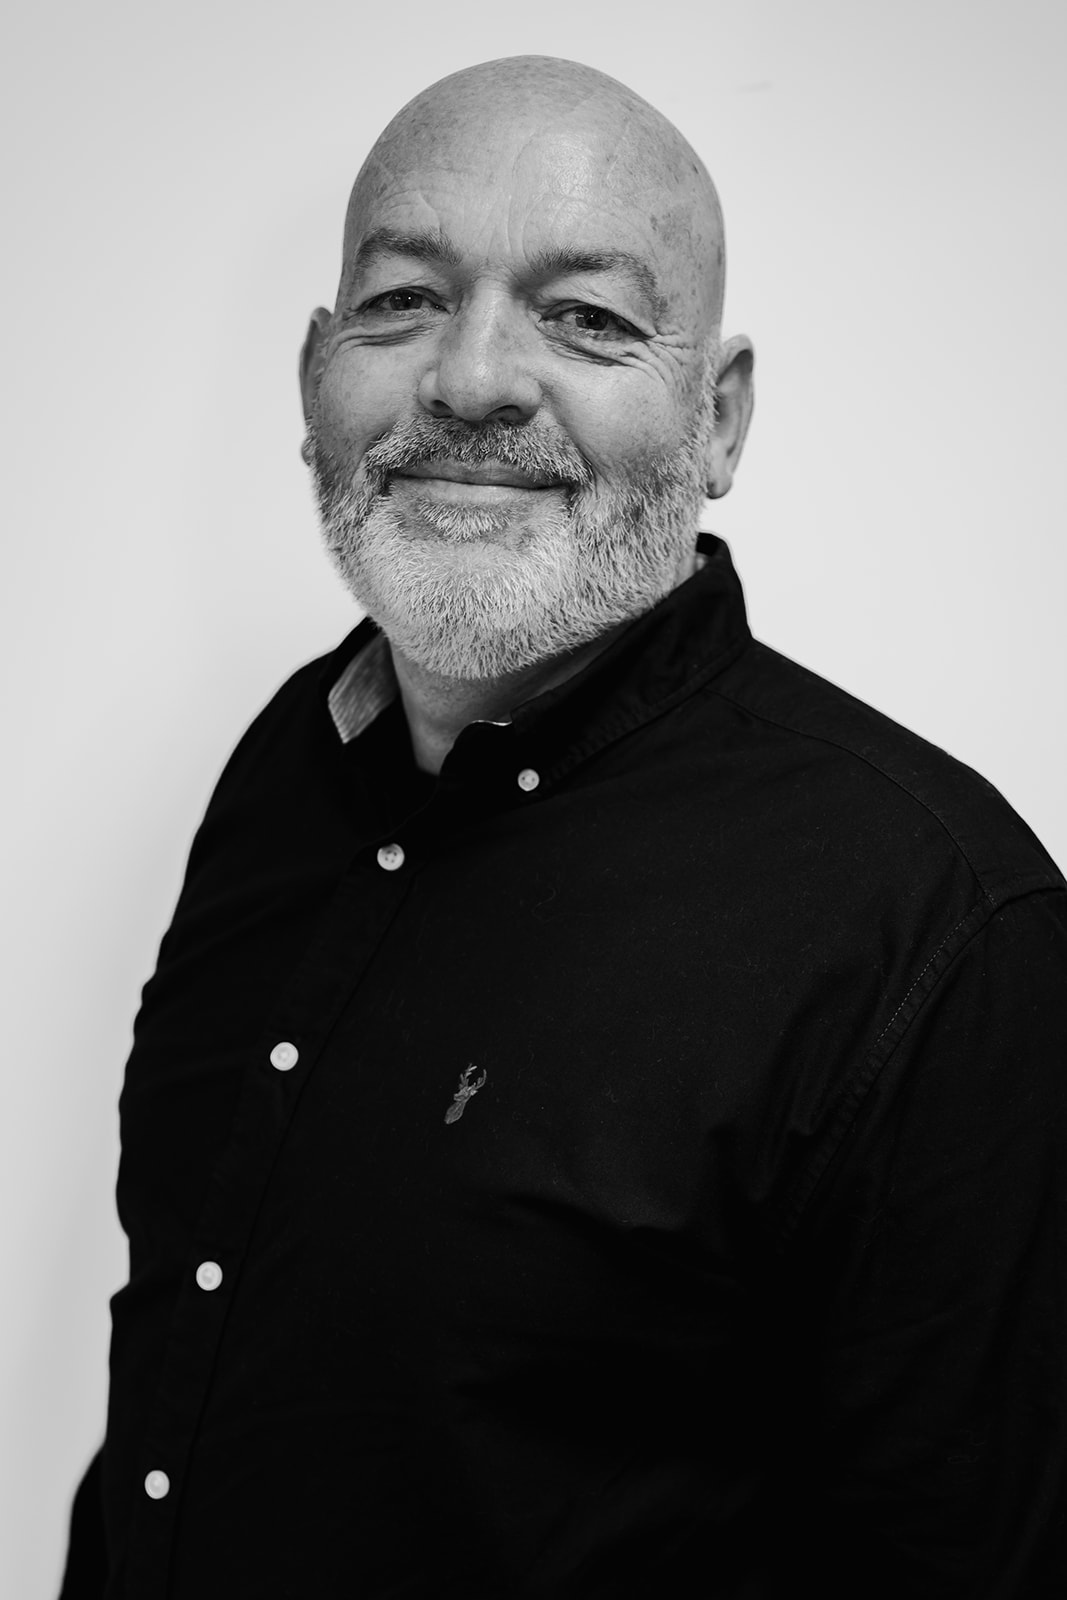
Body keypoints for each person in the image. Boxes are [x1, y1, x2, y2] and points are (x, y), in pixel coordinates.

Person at [60, 54, 1066, 1600]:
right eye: (403, 300)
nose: (470, 378)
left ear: (718, 419)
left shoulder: (938, 925)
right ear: (314, 381)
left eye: (586, 315)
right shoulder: (283, 767)